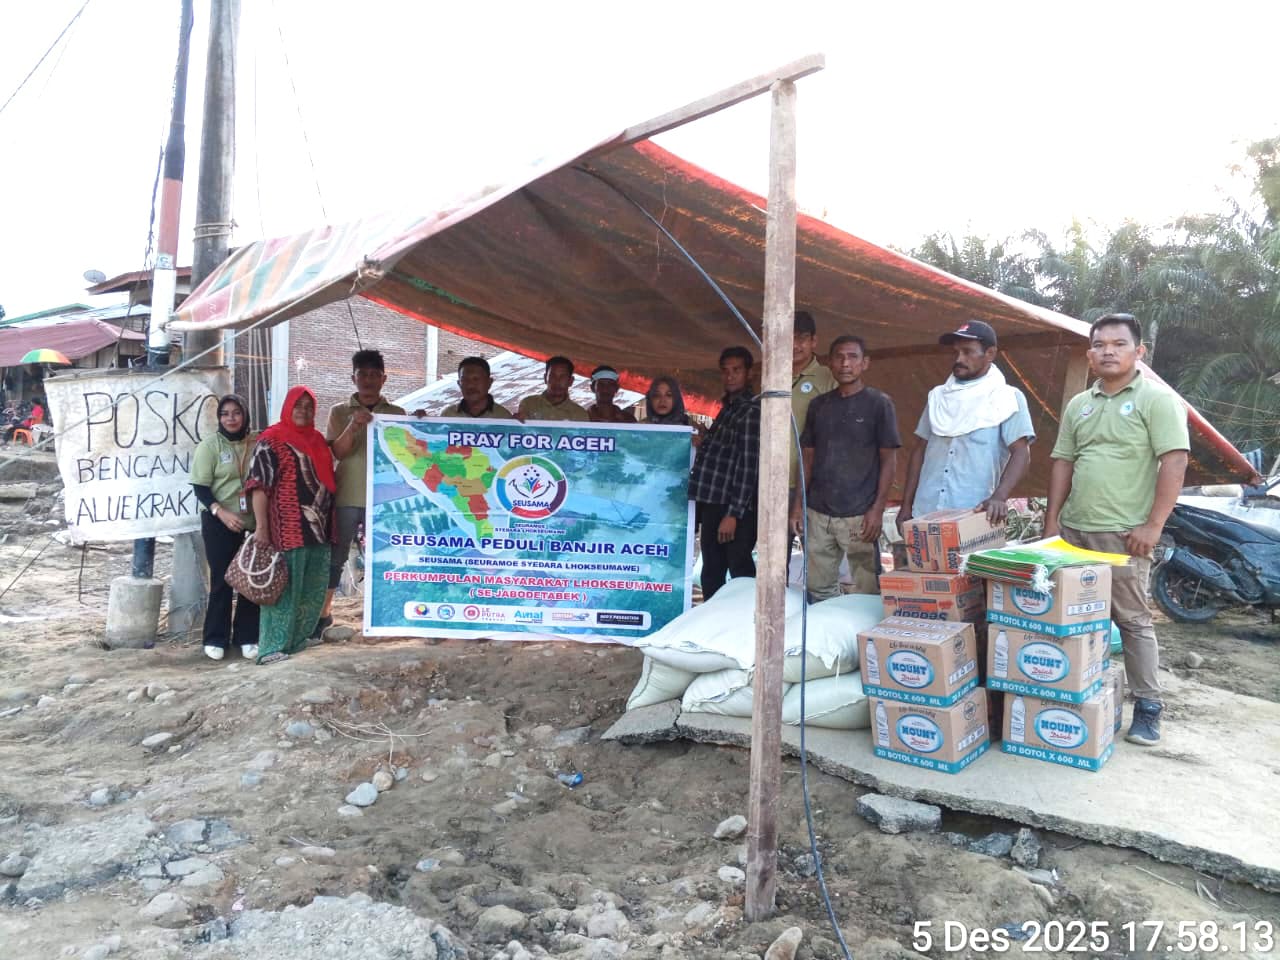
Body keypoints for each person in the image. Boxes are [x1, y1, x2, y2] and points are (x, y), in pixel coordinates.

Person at [1045, 313, 1189, 746]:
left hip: (1125, 535)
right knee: (1066, 618)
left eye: (1119, 344)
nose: (1108, 351)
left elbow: (1175, 461)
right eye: (1100, 344)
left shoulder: (1157, 400)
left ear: (1138, 351)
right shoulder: (1079, 404)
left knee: (1132, 621)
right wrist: (1052, 521)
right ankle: (1069, 693)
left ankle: (1148, 708)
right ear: (1090, 353)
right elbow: (1063, 461)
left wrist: (1153, 526)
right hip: (1073, 532)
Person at [790, 335, 900, 600]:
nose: (845, 363)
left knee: (867, 590)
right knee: (818, 589)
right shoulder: (819, 406)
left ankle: (862, 631)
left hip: (859, 516)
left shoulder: (879, 404)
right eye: (839, 357)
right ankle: (824, 628)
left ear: (865, 363)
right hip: (818, 512)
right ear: (830, 363)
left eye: (852, 357)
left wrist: (877, 510)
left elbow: (889, 459)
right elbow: (807, 458)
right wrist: (798, 506)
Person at [898, 320, 1035, 532]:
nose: (959, 359)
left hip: (974, 517)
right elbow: (919, 452)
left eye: (967, 352)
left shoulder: (1006, 398)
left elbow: (1022, 453)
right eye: (956, 352)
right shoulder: (938, 398)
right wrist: (906, 506)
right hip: (924, 513)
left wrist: (999, 497)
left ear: (990, 354)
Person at [317, 350, 406, 638]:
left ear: (384, 378)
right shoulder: (339, 412)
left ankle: (388, 613)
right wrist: (354, 425)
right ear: (352, 378)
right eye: (362, 374)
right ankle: (324, 613)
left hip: (385, 500)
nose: (368, 380)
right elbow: (338, 453)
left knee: (387, 556)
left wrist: (418, 424)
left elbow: (407, 454)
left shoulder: (397, 414)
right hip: (348, 495)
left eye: (374, 375)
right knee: (337, 555)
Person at [246, 386, 336, 665]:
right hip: (287, 530)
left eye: (309, 407)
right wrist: (262, 528)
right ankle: (271, 648)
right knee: (284, 590)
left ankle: (295, 642)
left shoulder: (316, 439)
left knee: (312, 588)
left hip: (319, 530)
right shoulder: (271, 440)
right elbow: (259, 486)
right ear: (288, 406)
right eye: (298, 405)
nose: (304, 411)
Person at [190, 394, 260, 661]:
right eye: (225, 414)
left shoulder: (257, 442)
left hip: (252, 522)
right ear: (219, 418)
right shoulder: (210, 446)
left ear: (245, 415)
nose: (231, 418)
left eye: (236, 413)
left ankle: (247, 636)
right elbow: (200, 487)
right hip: (219, 521)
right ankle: (215, 638)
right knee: (221, 580)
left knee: (250, 580)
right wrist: (221, 512)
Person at [689, 346, 760, 600]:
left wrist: (733, 513)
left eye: (736, 370)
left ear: (749, 373)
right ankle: (715, 616)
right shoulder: (729, 408)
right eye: (726, 371)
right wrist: (705, 441)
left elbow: (748, 464)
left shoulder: (750, 410)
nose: (730, 376)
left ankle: (745, 617)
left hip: (732, 508)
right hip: (713, 502)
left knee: (738, 568)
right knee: (712, 569)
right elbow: (727, 453)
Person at [790, 310, 836, 503]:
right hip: (768, 476)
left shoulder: (829, 378)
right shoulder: (770, 376)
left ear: (814, 341)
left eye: (801, 338)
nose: (794, 345)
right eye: (788, 338)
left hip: (808, 482)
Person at [516, 356, 589, 422]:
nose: (557, 381)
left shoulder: (580, 415)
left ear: (571, 381)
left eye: (562, 377)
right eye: (552, 376)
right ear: (545, 378)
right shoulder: (529, 404)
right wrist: (515, 422)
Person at [441, 357, 513, 418]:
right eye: (465, 380)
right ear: (459, 384)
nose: (470, 385)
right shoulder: (448, 416)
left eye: (476, 379)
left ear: (489, 382)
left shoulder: (504, 417)